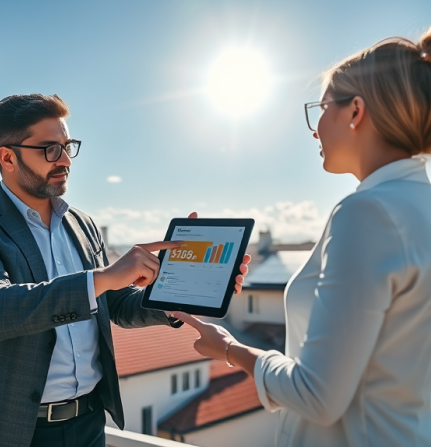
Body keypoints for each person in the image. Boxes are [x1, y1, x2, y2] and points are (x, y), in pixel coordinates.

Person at [0, 93, 249, 447]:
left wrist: (178, 294)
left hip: (87, 425)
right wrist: (106, 277)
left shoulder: (83, 225)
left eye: (68, 146)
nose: (66, 159)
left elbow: (114, 304)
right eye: (50, 149)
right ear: (7, 157)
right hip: (5, 429)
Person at [173, 27, 431, 447]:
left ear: (356, 112)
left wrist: (229, 349)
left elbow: (317, 396)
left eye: (322, 107)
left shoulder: (367, 213)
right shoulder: (419, 204)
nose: (315, 129)